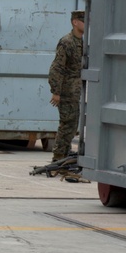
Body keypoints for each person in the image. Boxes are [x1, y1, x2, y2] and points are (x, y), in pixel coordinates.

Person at [48, 10, 84, 162]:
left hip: (76, 92)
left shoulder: (82, 42)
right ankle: (58, 158)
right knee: (67, 125)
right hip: (66, 91)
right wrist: (56, 92)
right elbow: (56, 68)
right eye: (83, 20)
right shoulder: (67, 42)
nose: (87, 24)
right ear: (75, 22)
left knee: (72, 125)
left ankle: (65, 155)